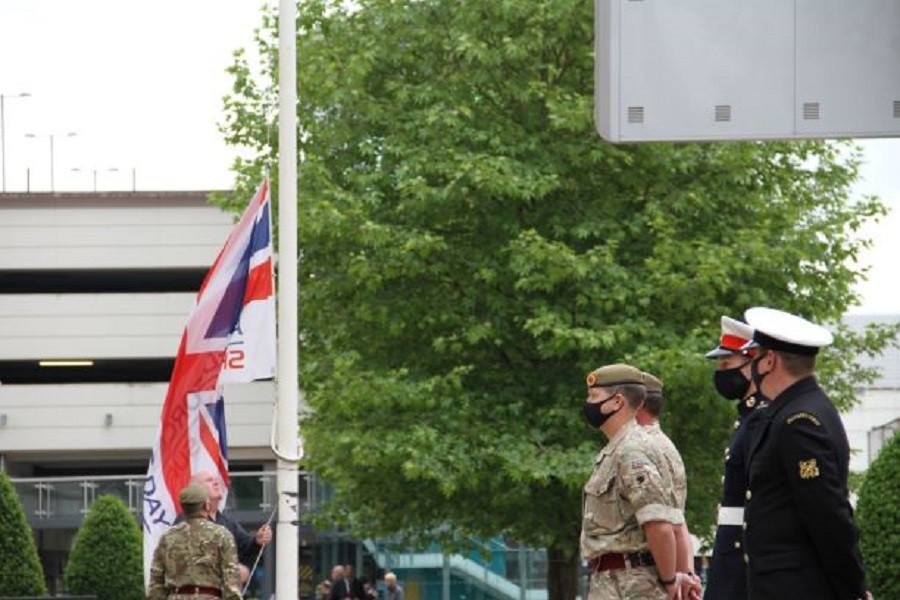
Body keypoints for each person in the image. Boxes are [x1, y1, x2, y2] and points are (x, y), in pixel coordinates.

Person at [739, 307, 871, 600]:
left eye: (754, 357)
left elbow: (827, 515)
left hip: (797, 588)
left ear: (769, 360)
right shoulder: (793, 411)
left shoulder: (799, 422)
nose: (750, 368)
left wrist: (854, 590)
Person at [580, 363, 694, 600]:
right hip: (615, 582)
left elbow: (662, 526)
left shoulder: (633, 450)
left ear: (617, 402)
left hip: (631, 586)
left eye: (594, 396)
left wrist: (670, 581)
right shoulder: (619, 448)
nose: (588, 403)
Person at [702, 315, 759, 600]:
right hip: (733, 553)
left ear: (754, 362)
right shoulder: (748, 418)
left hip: (746, 556)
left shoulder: (761, 418)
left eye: (728, 364)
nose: (721, 373)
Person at [638, 372, 701, 600]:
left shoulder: (642, 447)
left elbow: (666, 526)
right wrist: (688, 577)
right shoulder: (665, 445)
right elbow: (678, 522)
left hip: (643, 581)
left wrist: (673, 580)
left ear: (638, 404)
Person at [147, 483, 242, 600]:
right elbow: (231, 581)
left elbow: (156, 582)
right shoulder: (221, 535)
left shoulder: (167, 537)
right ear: (207, 505)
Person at [188, 470, 273, 584]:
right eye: (209, 480)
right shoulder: (186, 522)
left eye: (216, 480)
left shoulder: (228, 523)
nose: (216, 483)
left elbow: (247, 548)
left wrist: (257, 540)